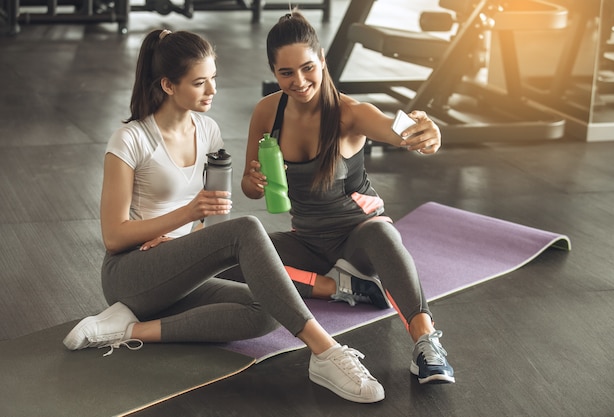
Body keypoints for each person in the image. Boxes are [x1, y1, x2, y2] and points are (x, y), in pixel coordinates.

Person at [62, 28, 385, 404]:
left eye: (213, 78)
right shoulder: (130, 140)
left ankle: (126, 329)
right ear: (168, 84)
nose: (212, 90)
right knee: (246, 230)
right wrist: (185, 215)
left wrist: (191, 235)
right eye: (199, 83)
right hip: (131, 271)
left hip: (181, 269)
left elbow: (209, 221)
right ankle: (326, 351)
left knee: (265, 310)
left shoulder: (209, 130)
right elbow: (114, 236)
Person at [241, 12, 455, 385]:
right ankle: (343, 288)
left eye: (308, 67)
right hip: (307, 240)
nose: (300, 81)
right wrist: (253, 182)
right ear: (274, 72)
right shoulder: (266, 112)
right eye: (286, 73)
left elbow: (397, 129)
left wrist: (426, 132)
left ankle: (427, 344)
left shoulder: (351, 114)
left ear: (322, 60)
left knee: (383, 234)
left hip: (359, 239)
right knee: (239, 256)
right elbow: (247, 183)